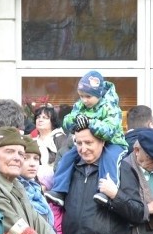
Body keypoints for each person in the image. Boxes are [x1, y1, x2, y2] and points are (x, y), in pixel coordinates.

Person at [45, 71, 128, 207]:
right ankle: (59, 190)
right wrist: (76, 120)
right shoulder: (80, 105)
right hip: (90, 143)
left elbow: (110, 130)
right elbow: (67, 122)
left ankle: (106, 191)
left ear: (99, 94)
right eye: (81, 96)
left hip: (113, 142)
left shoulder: (110, 106)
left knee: (110, 158)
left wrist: (90, 122)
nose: (84, 100)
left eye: (88, 96)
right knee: (67, 156)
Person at [60, 123, 137, 234]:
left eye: (89, 143)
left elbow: (139, 212)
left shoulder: (120, 169)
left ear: (102, 142)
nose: (83, 149)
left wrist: (116, 195)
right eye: (79, 143)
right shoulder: (69, 169)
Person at [31, 104, 67, 175]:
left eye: (45, 118)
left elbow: (65, 162)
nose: (40, 120)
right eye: (38, 117)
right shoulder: (32, 141)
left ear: (52, 121)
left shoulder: (60, 138)